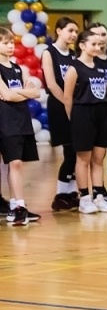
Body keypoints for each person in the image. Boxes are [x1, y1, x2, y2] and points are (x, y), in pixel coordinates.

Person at [63, 23, 107, 214]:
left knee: (99, 158)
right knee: (83, 158)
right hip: (82, 113)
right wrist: (74, 119)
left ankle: (99, 196)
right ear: (82, 46)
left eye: (99, 45)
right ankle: (84, 198)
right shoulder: (74, 68)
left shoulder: (101, 66)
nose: (97, 47)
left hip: (101, 112)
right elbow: (67, 97)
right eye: (93, 44)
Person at [0, 28, 43, 223]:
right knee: (13, 162)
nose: (10, 46)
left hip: (21, 118)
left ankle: (19, 205)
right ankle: (17, 206)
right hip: (5, 120)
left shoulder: (18, 68)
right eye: (5, 42)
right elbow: (7, 95)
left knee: (18, 163)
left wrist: (21, 93)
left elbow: (35, 93)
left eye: (11, 42)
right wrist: (24, 93)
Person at [42, 18, 81, 211]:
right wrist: (67, 101)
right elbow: (51, 83)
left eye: (76, 31)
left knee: (77, 151)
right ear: (59, 31)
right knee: (70, 150)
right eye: (70, 30)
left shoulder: (74, 55)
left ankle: (71, 192)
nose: (74, 34)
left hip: (75, 105)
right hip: (59, 105)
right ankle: (60, 195)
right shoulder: (49, 53)